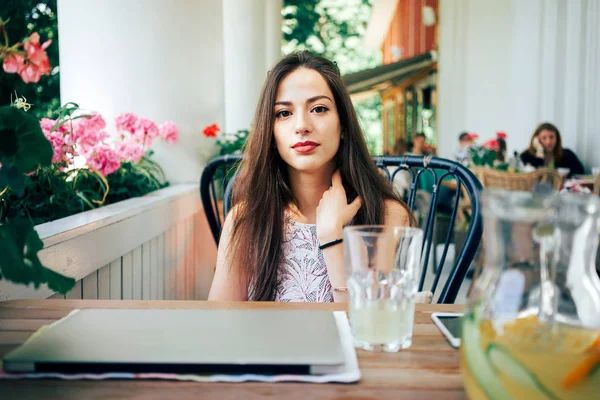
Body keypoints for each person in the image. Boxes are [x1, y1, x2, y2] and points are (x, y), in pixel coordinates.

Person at [208, 51, 415, 303]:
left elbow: (368, 331)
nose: (301, 125)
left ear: (343, 126)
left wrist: (331, 236)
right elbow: (221, 323)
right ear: (270, 132)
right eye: (283, 113)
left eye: (318, 109)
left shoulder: (384, 216)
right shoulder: (246, 220)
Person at [520, 122, 584, 177]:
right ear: (537, 139)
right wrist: (539, 151)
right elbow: (533, 174)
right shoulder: (526, 155)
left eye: (551, 137)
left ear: (557, 138)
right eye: (544, 138)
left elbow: (580, 173)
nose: (548, 142)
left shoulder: (566, 154)